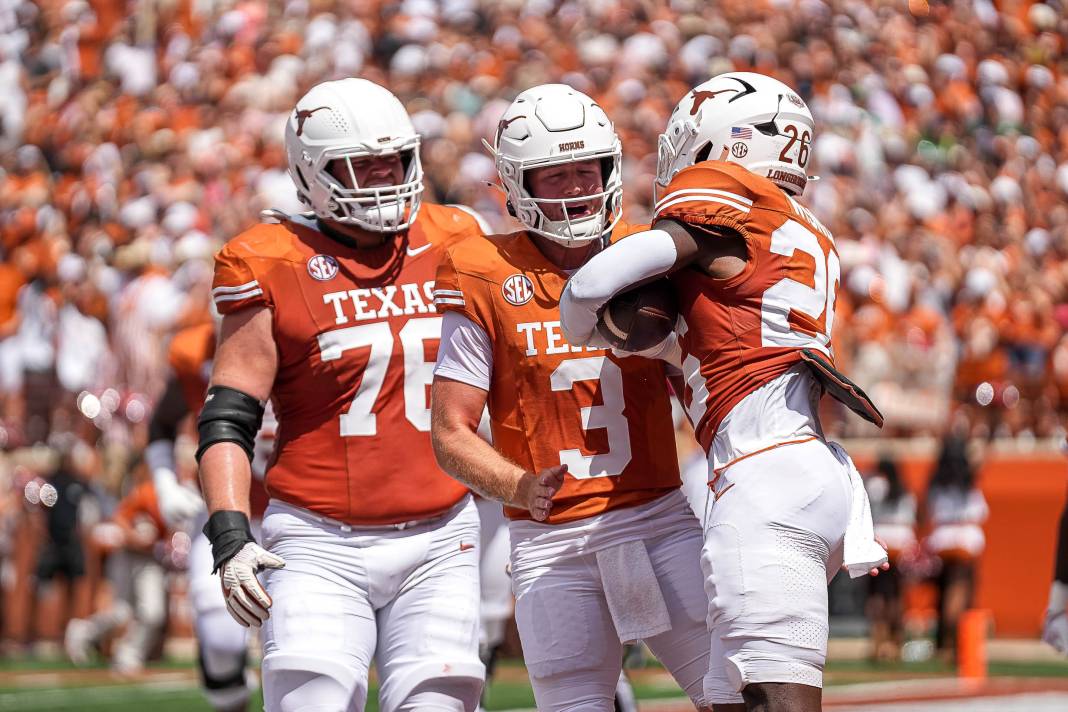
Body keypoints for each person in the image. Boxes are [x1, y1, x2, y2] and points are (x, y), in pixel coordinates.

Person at [559, 71, 888, 712]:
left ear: (726, 146)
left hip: (762, 477)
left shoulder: (723, 204)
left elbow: (611, 275)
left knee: (775, 699)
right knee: (729, 699)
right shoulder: (807, 232)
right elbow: (729, 331)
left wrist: (581, 313)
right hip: (806, 466)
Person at [196, 78, 487, 712]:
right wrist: (229, 534)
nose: (383, 181)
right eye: (361, 167)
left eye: (393, 162)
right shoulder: (269, 259)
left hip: (442, 532)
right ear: (310, 170)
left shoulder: (456, 237)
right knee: (314, 701)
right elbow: (227, 420)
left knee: (439, 701)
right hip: (319, 537)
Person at [431, 83, 711, 712]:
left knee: (739, 695)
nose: (579, 187)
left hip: (659, 520)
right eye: (555, 175)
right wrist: (519, 486)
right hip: (552, 540)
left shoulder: (650, 256)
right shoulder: (481, 269)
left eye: (588, 169)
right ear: (516, 182)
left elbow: (709, 380)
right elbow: (450, 430)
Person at [146, 320, 273, 711]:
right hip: (224, 510)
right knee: (219, 634)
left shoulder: (303, 328)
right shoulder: (195, 352)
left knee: (300, 642)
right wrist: (165, 483)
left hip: (300, 510)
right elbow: (162, 422)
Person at [65, 474, 171, 677]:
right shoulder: (147, 491)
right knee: (121, 612)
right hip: (127, 555)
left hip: (150, 558)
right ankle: (83, 632)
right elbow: (119, 517)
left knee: (153, 613)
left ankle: (129, 654)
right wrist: (135, 537)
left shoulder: (183, 494)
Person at [924, 434, 988, 658]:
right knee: (958, 591)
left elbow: (926, 511)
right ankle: (952, 642)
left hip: (942, 537)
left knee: (944, 590)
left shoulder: (936, 479)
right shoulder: (968, 478)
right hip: (964, 540)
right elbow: (983, 454)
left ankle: (945, 640)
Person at [865, 456, 916, 661]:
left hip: (880, 541)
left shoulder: (875, 485)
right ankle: (896, 641)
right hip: (901, 542)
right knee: (896, 593)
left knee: (876, 592)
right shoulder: (904, 488)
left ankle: (878, 641)